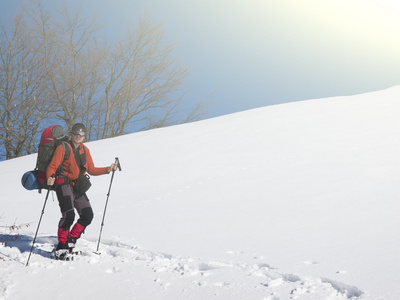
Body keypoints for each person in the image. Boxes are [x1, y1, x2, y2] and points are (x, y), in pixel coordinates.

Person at [46, 123, 118, 259]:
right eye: (76, 134)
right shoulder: (63, 147)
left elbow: (91, 169)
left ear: (84, 137)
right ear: (71, 134)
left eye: (82, 135)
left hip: (77, 186)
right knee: (68, 216)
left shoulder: (85, 150)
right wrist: (50, 177)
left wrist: (108, 169)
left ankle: (71, 241)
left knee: (87, 215)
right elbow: (53, 165)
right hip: (63, 184)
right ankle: (61, 247)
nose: (79, 137)